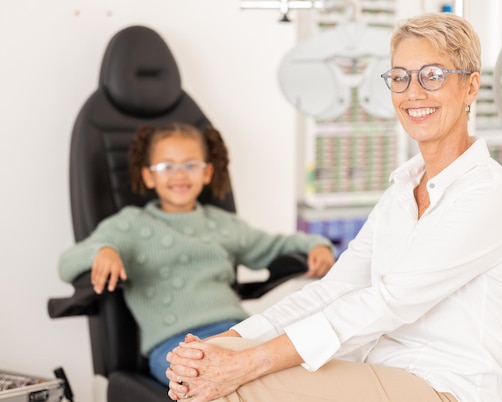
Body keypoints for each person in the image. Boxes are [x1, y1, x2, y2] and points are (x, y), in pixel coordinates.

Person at [165, 13, 502, 402]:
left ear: (471, 87)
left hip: (447, 387)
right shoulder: (401, 192)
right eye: (401, 77)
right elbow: (333, 291)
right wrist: (225, 343)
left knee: (236, 386)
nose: (413, 92)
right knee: (204, 373)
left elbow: (387, 301)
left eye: (433, 76)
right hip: (381, 373)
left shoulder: (488, 194)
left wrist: (248, 362)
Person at [57, 122, 335, 386]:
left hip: (238, 331)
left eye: (190, 165)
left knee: (299, 370)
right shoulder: (130, 225)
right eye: (167, 166)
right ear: (148, 176)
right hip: (173, 344)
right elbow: (67, 263)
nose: (179, 175)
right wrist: (103, 251)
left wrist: (317, 245)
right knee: (217, 382)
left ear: (207, 173)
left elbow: (276, 244)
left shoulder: (221, 224)